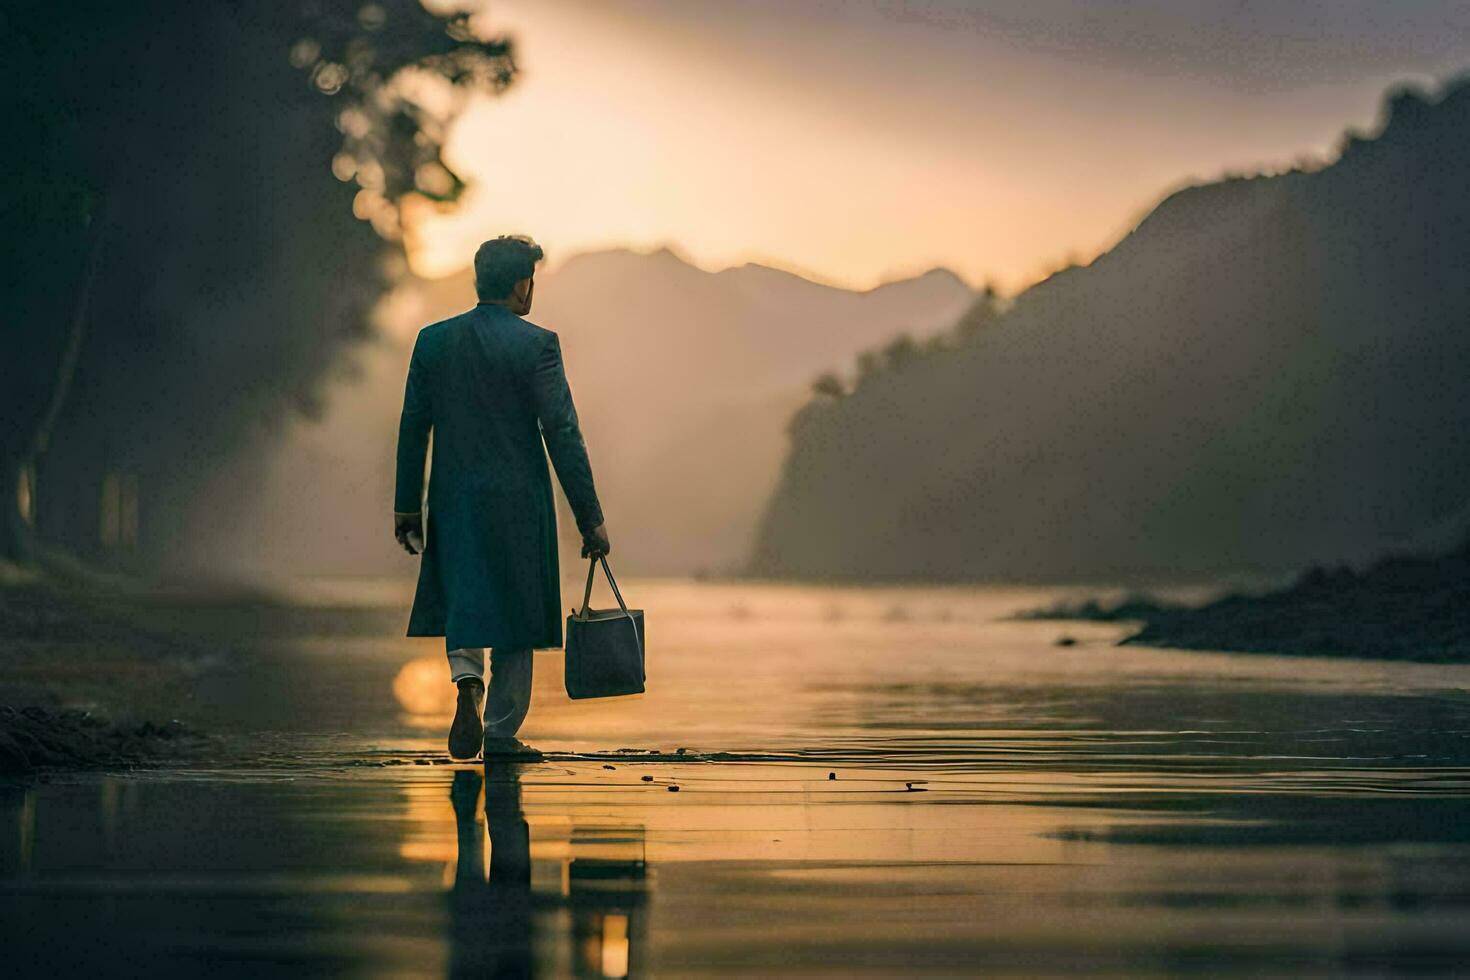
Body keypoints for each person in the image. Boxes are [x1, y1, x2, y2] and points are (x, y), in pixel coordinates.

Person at [393, 235, 610, 759]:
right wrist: (590, 518)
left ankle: (467, 679)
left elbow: (413, 426)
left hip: (452, 495)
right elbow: (562, 433)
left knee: (464, 590)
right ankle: (501, 731)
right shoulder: (537, 344)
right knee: (516, 607)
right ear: (521, 285)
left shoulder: (433, 341)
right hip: (519, 499)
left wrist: (406, 505)